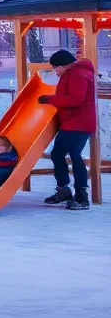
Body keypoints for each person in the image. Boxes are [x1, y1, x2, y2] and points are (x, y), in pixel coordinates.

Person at [38, 49, 96, 210]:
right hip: (71, 122)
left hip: (79, 123)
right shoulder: (71, 73)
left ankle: (81, 195)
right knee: (57, 154)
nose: (55, 71)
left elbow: (76, 99)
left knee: (75, 156)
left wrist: (51, 100)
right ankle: (64, 189)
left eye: (56, 68)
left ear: (64, 65)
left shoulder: (78, 74)